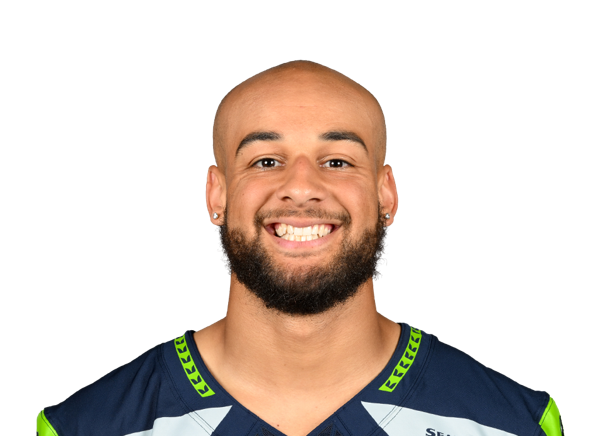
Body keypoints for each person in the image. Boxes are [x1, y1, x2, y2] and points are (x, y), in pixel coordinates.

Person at [36, 60, 563, 436]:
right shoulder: (84, 427)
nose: (302, 186)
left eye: (337, 161)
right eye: (266, 161)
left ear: (386, 195)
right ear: (216, 195)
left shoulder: (514, 424)